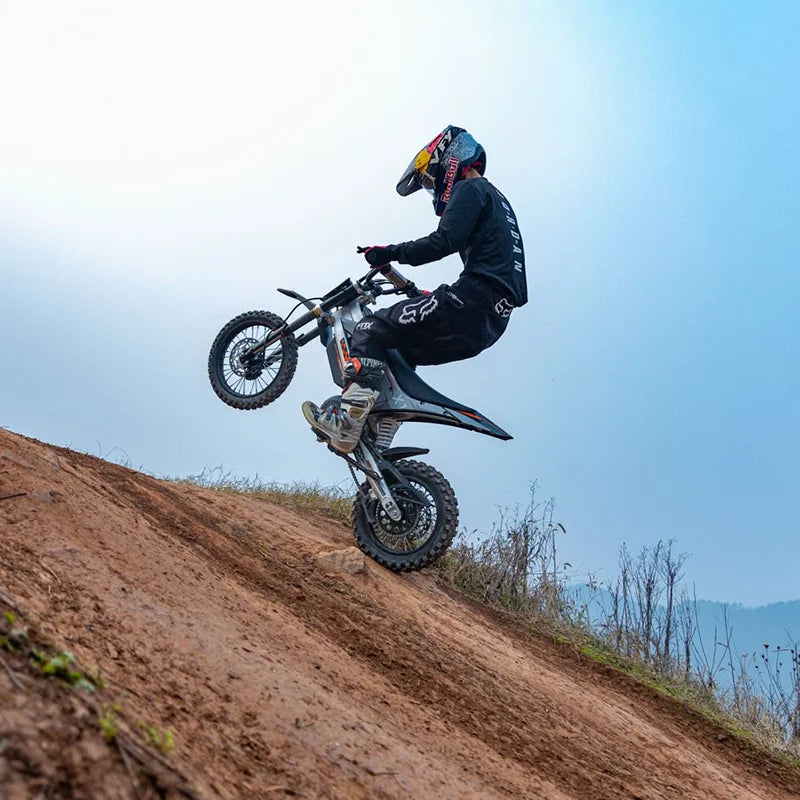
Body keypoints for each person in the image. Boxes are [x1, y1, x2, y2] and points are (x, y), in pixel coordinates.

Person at [302, 124, 527, 453]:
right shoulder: (498, 201)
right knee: (398, 352)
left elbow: (443, 241)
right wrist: (423, 296)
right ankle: (383, 425)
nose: (432, 187)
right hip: (490, 323)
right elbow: (494, 268)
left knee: (370, 327)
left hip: (470, 301)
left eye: (430, 180)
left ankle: (348, 423)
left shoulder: (471, 188)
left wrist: (389, 252)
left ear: (449, 159)